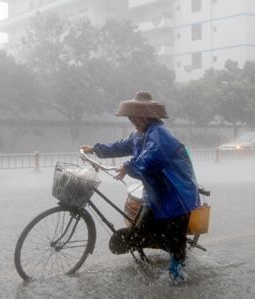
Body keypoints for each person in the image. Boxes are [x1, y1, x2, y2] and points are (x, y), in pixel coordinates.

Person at [80, 91, 200, 283]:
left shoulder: (160, 133)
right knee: (143, 231)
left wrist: (128, 167)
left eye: (137, 118)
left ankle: (179, 270)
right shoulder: (139, 135)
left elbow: (152, 158)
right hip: (155, 194)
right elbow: (120, 145)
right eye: (131, 118)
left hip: (175, 193)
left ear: (147, 116)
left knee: (174, 233)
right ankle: (174, 253)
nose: (133, 121)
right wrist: (95, 149)